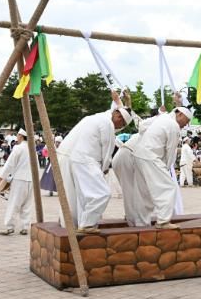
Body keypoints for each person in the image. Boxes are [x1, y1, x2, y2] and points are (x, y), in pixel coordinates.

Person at [58, 92, 132, 233]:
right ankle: (86, 225)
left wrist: (123, 102)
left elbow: (121, 112)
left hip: (70, 156)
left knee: (77, 196)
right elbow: (107, 150)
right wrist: (103, 169)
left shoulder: (99, 117)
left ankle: (73, 225)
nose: (120, 127)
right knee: (102, 193)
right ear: (117, 115)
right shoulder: (107, 124)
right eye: (121, 123)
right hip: (84, 159)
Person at [133, 106, 193, 229]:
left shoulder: (162, 118)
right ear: (180, 115)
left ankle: (141, 222)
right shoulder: (173, 126)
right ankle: (163, 221)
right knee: (167, 187)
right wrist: (165, 169)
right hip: (151, 156)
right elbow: (171, 151)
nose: (185, 125)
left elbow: (142, 127)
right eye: (186, 121)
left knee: (144, 191)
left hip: (139, 154)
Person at [0, 129, 34, 235]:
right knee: (27, 204)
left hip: (19, 179)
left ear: (21, 136)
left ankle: (10, 227)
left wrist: (1, 177)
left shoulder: (18, 148)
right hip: (31, 179)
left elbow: (10, 163)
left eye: (17, 135)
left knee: (14, 203)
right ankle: (25, 227)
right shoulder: (32, 148)